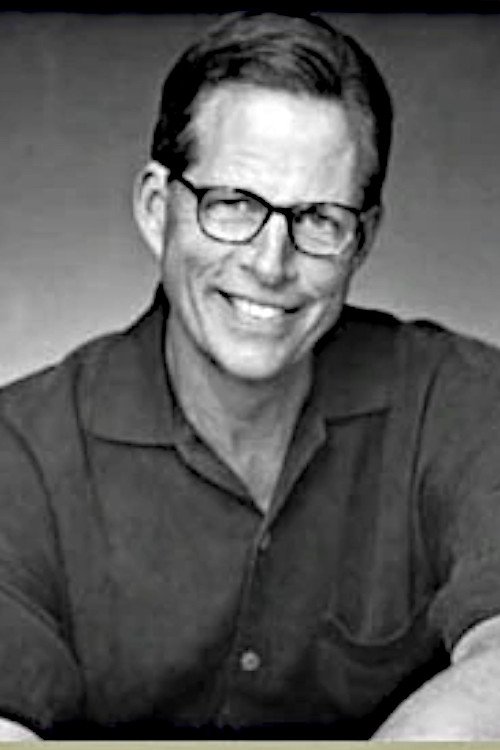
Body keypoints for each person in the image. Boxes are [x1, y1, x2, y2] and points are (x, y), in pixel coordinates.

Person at [1, 10, 500, 742]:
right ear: (156, 209)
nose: (271, 264)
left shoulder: (461, 401)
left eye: (319, 219)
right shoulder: (19, 452)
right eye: (232, 205)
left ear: (363, 239)